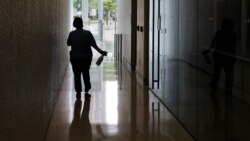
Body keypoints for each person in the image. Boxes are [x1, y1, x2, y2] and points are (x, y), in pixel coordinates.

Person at [67, 17, 107, 99]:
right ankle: (87, 90)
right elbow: (94, 46)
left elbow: (68, 44)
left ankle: (78, 93)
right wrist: (102, 52)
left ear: (74, 24)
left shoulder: (71, 34)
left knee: (76, 75)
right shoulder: (88, 33)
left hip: (75, 58)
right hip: (86, 58)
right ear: (82, 23)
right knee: (86, 74)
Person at [203, 18, 237, 95]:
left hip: (219, 57)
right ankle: (228, 90)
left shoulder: (219, 33)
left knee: (217, 72)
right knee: (229, 75)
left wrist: (207, 52)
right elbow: (233, 45)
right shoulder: (233, 34)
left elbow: (212, 45)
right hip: (229, 57)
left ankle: (214, 85)